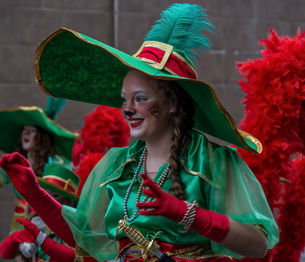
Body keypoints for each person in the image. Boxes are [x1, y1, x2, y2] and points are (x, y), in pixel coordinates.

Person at [0, 3, 279, 261]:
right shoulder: (117, 165)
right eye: (124, 99)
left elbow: (258, 245)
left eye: (140, 98)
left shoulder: (212, 161)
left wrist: (186, 214)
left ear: (172, 103)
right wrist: (34, 192)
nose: (128, 109)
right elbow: (86, 237)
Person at [0, 98, 78, 229]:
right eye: (24, 129)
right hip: (19, 226)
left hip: (46, 226)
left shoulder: (57, 162)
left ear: (43, 136)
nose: (26, 133)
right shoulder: (17, 163)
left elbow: (67, 198)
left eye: (33, 130)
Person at [0, 159, 79, 262]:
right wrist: (15, 238)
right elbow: (5, 254)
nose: (47, 200)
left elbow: (73, 257)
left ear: (70, 202)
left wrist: (40, 238)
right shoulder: (33, 221)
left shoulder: (75, 229)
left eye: (55, 195)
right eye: (44, 194)